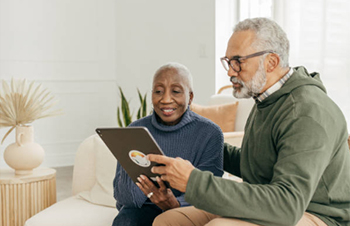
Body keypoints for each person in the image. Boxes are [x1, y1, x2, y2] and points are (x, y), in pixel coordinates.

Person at [149, 18, 350, 226]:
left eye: (238, 61)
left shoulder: (306, 112)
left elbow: (286, 204)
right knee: (169, 221)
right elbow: (255, 165)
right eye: (228, 62)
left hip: (316, 214)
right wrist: (198, 142)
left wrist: (193, 181)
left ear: (271, 62)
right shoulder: (267, 99)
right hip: (269, 204)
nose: (230, 71)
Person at [112, 62, 224, 226]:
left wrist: (175, 204)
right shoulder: (135, 130)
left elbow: (210, 193)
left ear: (190, 97)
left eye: (176, 91)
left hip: (187, 210)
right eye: (158, 91)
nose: (165, 99)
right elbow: (123, 197)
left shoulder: (210, 133)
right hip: (141, 210)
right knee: (125, 220)